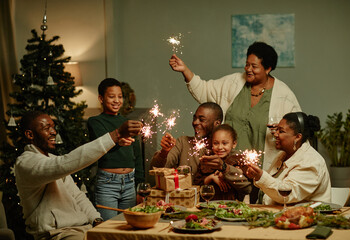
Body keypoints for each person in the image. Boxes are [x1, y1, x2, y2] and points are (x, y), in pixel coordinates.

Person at [169, 41, 301, 203]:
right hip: (228, 168)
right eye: (246, 65)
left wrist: (281, 131)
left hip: (261, 170)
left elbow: (297, 132)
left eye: (254, 66)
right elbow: (205, 90)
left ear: (268, 69)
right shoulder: (233, 83)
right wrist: (185, 70)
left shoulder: (284, 96)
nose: (248, 69)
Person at [15, 111, 142, 240]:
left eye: (53, 127)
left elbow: (77, 196)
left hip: (84, 228)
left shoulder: (52, 159)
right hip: (58, 233)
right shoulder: (26, 163)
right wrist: (116, 135)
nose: (54, 132)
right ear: (30, 134)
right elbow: (64, 163)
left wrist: (96, 220)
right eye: (47, 128)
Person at [150, 102, 251, 199]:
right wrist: (164, 152)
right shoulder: (183, 143)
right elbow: (156, 171)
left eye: (201, 120)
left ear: (217, 123)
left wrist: (225, 169)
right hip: (187, 203)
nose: (195, 122)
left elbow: (246, 187)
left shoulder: (229, 154)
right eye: (194, 118)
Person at [87, 78, 144, 221]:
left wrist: (139, 187)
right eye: (111, 96)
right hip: (108, 185)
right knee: (108, 229)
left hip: (130, 184)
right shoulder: (95, 122)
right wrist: (119, 138)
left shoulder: (127, 122)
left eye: (120, 97)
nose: (116, 101)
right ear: (101, 98)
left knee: (129, 228)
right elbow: (102, 146)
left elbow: (137, 156)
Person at [245, 112, 331, 205]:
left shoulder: (311, 161)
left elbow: (287, 194)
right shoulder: (282, 155)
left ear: (298, 137)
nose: (275, 134)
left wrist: (261, 176)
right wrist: (257, 176)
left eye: (281, 131)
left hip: (304, 217)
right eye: (276, 129)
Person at [193, 124, 251, 200]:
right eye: (216, 143)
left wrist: (228, 173)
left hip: (232, 206)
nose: (220, 147)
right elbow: (196, 185)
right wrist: (211, 178)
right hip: (208, 204)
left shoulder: (239, 160)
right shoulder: (207, 160)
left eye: (225, 143)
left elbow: (247, 187)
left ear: (234, 144)